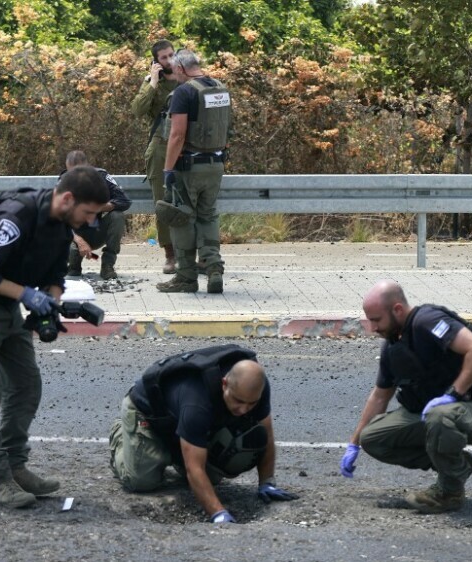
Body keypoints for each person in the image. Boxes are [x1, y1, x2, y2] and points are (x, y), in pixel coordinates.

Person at [0, 166, 109, 508]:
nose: (91, 222)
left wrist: (49, 303)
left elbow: (55, 275)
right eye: (89, 213)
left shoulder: (62, 229)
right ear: (68, 199)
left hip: (8, 310)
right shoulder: (16, 216)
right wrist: (25, 295)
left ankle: (15, 465)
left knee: (26, 385)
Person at [339, 280, 472, 513]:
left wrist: (453, 394)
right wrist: (354, 444)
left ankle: (449, 492)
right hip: (436, 415)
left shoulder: (428, 321)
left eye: (376, 319)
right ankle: (457, 466)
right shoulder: (393, 345)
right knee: (374, 438)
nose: (373, 328)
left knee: (440, 415)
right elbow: (379, 397)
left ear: (397, 309)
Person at [108, 344, 298, 523]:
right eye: (238, 401)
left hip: (181, 419)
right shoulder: (197, 402)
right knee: (142, 482)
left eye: (251, 404)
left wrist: (267, 482)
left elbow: (266, 434)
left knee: (213, 477)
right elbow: (194, 468)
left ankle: (177, 447)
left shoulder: (256, 388)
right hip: (148, 414)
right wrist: (218, 513)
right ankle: (120, 432)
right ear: (224, 384)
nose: (244, 410)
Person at [156, 49, 232, 294]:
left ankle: (186, 277)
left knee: (182, 219)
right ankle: (214, 269)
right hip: (216, 165)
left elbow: (177, 134)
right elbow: (226, 128)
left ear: (180, 68)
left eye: (174, 69)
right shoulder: (220, 88)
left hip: (189, 167)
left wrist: (168, 169)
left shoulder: (184, 92)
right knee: (208, 217)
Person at [130, 39, 179, 275]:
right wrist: (153, 82)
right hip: (160, 148)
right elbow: (137, 110)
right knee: (163, 204)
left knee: (192, 202)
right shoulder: (152, 82)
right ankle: (170, 255)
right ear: (155, 61)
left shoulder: (186, 78)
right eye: (163, 57)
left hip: (187, 149)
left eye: (171, 55)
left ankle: (194, 253)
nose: (169, 60)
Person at [61, 150, 131, 280]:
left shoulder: (101, 176)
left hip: (96, 231)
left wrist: (102, 207)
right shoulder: (64, 182)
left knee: (117, 216)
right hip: (74, 237)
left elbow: (125, 201)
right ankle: (72, 266)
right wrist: (79, 241)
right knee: (72, 271)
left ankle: (107, 266)